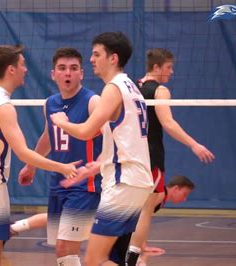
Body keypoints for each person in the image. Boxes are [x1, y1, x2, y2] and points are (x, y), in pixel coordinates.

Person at [0, 45, 79, 266]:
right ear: (11, 70)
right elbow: (23, 153)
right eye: (22, 65)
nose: (26, 69)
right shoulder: (4, 107)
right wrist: (62, 167)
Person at [51, 32, 154, 266]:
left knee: (94, 260)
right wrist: (95, 168)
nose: (91, 59)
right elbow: (126, 141)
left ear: (113, 58)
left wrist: (62, 122)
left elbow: (87, 131)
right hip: (135, 182)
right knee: (116, 258)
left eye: (97, 54)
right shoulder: (131, 87)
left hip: (123, 184)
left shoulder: (114, 88)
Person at [126, 48, 215, 266]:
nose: (171, 72)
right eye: (168, 67)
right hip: (151, 155)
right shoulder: (160, 90)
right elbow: (168, 123)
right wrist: (194, 144)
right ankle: (134, 258)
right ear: (156, 68)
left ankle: (133, 250)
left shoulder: (131, 87)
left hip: (129, 153)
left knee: (134, 207)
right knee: (147, 207)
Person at [18, 47, 102, 266]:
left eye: (73, 69)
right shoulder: (50, 103)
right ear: (53, 74)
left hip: (85, 185)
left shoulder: (93, 102)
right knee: (61, 250)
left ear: (81, 73)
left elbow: (113, 140)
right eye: (62, 68)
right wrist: (31, 165)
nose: (68, 73)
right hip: (59, 183)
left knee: (66, 246)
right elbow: (48, 136)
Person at [137, 175, 195, 266]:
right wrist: (141, 246)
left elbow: (143, 220)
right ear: (176, 189)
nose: (184, 199)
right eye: (184, 194)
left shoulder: (162, 197)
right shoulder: (160, 195)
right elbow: (140, 217)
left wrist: (143, 245)